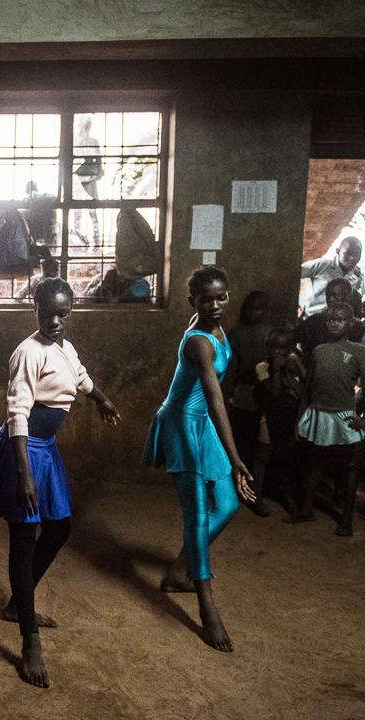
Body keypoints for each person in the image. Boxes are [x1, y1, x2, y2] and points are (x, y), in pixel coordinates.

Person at [0, 278, 121, 688]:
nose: (55, 321)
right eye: (47, 314)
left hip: (46, 450)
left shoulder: (64, 348)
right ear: (35, 310)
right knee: (24, 535)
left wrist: (101, 399)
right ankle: (29, 640)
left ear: (71, 312)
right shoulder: (27, 352)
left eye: (63, 314)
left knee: (60, 528)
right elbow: (18, 412)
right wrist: (24, 471)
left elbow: (79, 377)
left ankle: (18, 603)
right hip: (23, 450)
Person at [142, 267, 256, 653]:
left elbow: (212, 405)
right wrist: (237, 457)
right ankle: (207, 608)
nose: (215, 305)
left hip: (203, 423)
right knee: (195, 512)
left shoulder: (215, 324)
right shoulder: (200, 342)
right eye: (205, 299)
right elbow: (215, 399)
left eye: (221, 297)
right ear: (193, 303)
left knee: (226, 505)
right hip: (183, 423)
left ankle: (179, 571)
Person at [282, 303, 365, 536]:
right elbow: (308, 388)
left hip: (343, 416)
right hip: (318, 413)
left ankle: (347, 518)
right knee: (314, 462)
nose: (334, 323)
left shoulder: (359, 351)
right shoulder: (319, 350)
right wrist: (299, 418)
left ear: (350, 324)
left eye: (340, 320)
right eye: (330, 320)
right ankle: (307, 509)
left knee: (349, 466)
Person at [223, 291, 273, 515]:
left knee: (259, 448)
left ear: (265, 311)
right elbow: (230, 367)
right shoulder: (237, 333)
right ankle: (240, 490)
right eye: (250, 308)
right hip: (244, 393)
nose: (254, 313)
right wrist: (227, 395)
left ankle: (255, 492)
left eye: (259, 309)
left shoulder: (270, 333)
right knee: (242, 444)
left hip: (267, 394)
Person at [253, 328, 305, 515]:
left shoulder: (293, 368)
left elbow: (307, 384)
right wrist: (276, 367)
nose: (277, 351)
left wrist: (296, 362)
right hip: (269, 418)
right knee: (262, 456)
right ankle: (256, 498)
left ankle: (287, 497)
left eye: (282, 348)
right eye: (273, 347)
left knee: (285, 459)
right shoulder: (262, 367)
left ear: (289, 349)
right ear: (267, 348)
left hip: (289, 420)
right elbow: (274, 393)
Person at [296, 278, 363, 361]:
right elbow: (292, 338)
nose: (330, 299)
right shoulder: (314, 321)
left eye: (336, 296)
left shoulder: (356, 325)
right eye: (328, 295)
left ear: (348, 297)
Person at [301, 237, 365, 317]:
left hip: (339, 323)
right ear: (337, 251)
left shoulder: (359, 276)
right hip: (312, 319)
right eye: (348, 253)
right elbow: (292, 273)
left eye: (357, 254)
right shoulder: (322, 266)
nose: (352, 258)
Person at [71, 115, 103, 248]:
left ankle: (97, 241)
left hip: (89, 180)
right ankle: (77, 239)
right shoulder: (75, 141)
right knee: (77, 212)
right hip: (78, 179)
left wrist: (96, 176)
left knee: (93, 211)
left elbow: (99, 163)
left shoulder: (93, 142)